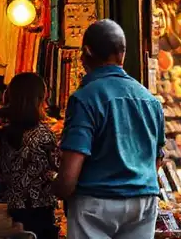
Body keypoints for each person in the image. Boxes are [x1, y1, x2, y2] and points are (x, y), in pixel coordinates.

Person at [55, 20, 166, 239]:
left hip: (96, 202)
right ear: (122, 54)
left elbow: (70, 171)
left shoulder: (85, 97)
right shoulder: (150, 100)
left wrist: (56, 189)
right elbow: (157, 159)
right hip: (143, 201)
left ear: (87, 52)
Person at [0, 73, 60, 239]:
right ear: (38, 101)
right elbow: (56, 171)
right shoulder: (45, 136)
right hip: (39, 213)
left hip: (6, 215)